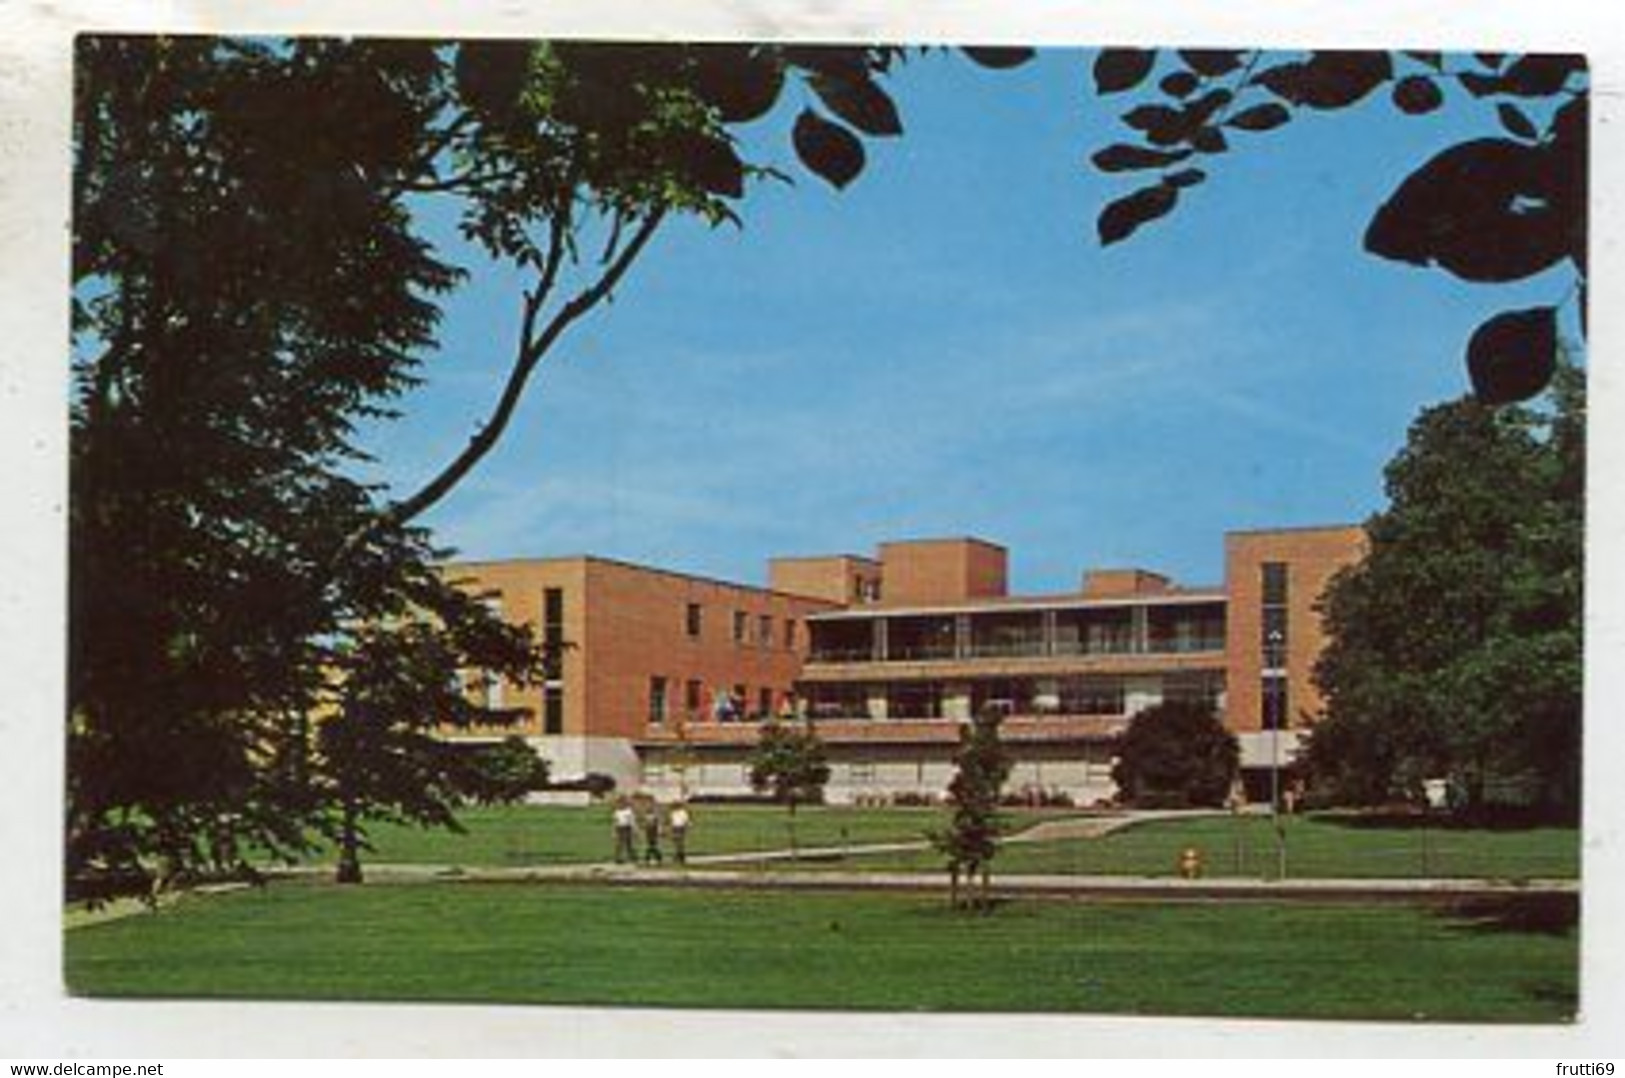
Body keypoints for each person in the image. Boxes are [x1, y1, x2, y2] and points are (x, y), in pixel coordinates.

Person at [612, 798, 636, 864]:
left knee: (629, 843)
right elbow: (615, 822)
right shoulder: (617, 812)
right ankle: (618, 858)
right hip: (620, 828)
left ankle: (631, 857)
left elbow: (632, 821)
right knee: (619, 844)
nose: (620, 805)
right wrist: (614, 831)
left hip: (627, 827)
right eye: (619, 804)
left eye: (621, 803)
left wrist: (634, 829)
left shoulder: (629, 811)